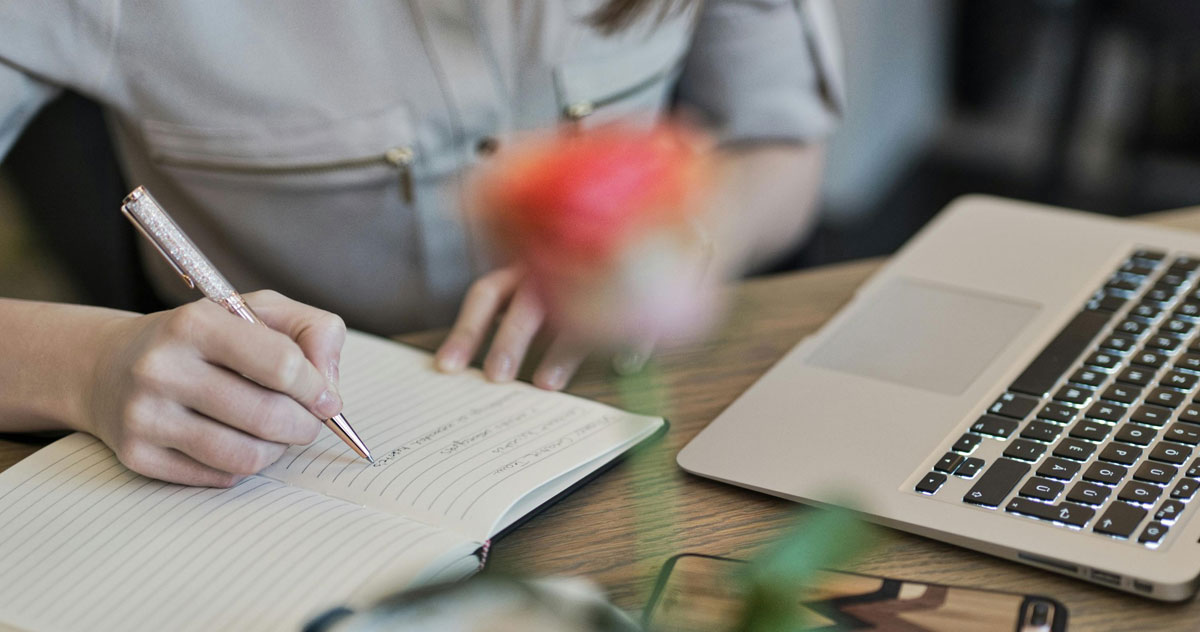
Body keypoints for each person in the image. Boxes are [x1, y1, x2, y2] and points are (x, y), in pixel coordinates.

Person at [0, 0, 843, 487]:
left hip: (633, 419)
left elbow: (781, 146)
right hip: (267, 465)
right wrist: (89, 365)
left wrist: (692, 237)